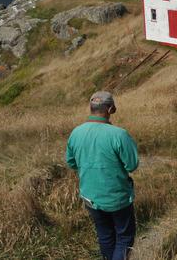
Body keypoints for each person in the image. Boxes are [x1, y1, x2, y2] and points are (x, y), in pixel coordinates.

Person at [66, 91, 138, 260]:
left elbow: (71, 163)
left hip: (90, 196)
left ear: (91, 108)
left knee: (105, 235)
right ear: (111, 109)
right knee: (124, 237)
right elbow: (132, 165)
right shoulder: (119, 134)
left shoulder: (76, 132)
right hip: (117, 196)